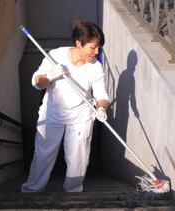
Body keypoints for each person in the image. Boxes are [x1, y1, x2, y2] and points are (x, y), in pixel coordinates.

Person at [21, 21, 109, 193]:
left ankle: (73, 190)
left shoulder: (95, 67)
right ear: (78, 43)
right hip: (53, 113)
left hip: (81, 116)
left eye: (98, 47)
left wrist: (101, 108)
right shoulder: (55, 56)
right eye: (93, 47)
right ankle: (32, 190)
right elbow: (37, 83)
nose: (96, 52)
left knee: (78, 157)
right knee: (43, 154)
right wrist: (50, 76)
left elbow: (102, 95)